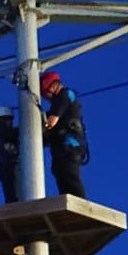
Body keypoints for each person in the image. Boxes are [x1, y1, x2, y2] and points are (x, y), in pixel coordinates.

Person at [39, 70, 88, 199]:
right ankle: (69, 202)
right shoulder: (60, 101)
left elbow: (51, 122)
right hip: (62, 147)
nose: (47, 98)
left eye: (46, 94)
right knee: (61, 174)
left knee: (70, 176)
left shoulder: (64, 95)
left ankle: (79, 205)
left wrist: (37, 132)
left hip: (69, 145)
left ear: (53, 87)